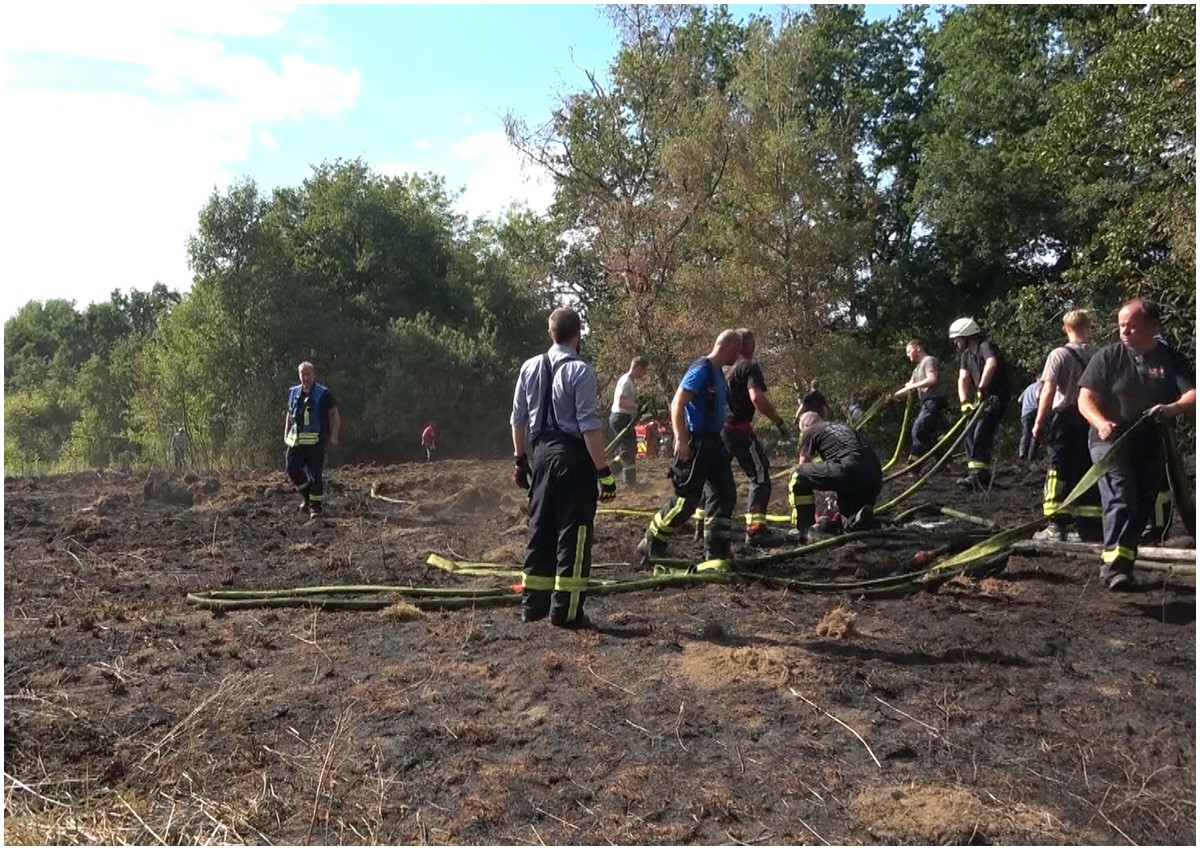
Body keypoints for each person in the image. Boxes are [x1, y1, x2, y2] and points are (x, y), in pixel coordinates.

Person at [1077, 298, 1195, 590]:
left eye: (1131, 325)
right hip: (1111, 442)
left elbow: (1193, 394)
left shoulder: (1170, 359)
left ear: (1152, 326)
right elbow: (1085, 400)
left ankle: (1123, 564)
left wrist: (1171, 409)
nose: (1125, 331)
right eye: (1121, 326)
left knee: (1142, 502)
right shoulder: (1107, 358)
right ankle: (1113, 566)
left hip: (1151, 441)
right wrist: (1101, 423)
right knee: (1122, 493)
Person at [510, 307, 616, 629]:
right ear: (578, 334)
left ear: (550, 333)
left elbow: (517, 420)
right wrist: (604, 473)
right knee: (575, 534)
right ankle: (566, 613)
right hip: (573, 459)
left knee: (540, 530)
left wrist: (520, 460)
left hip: (540, 456)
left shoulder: (529, 367)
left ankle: (534, 606)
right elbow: (589, 427)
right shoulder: (581, 371)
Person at [636, 330, 742, 566]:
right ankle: (651, 542)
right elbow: (678, 402)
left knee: (724, 494)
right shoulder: (701, 369)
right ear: (730, 348)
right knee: (686, 501)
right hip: (696, 443)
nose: (738, 356)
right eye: (738, 351)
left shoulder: (717, 373)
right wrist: (681, 439)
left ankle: (716, 551)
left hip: (715, 443)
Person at [1031, 310, 1101, 542]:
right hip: (1092, 417)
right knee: (1088, 467)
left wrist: (1039, 422)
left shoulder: (1058, 355)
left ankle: (1056, 524)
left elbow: (1049, 390)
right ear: (1088, 327)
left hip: (1066, 417)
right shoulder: (1099, 354)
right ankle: (1090, 526)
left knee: (1058, 468)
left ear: (1065, 328)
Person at [723, 329, 790, 547]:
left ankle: (707, 528)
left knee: (717, 478)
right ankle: (756, 531)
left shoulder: (726, 371)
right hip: (739, 430)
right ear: (747, 345)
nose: (756, 348)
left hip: (721, 431)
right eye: (754, 343)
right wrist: (779, 421)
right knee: (760, 475)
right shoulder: (749, 367)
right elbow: (757, 398)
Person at [788, 411, 882, 543]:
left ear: (806, 426)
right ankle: (857, 518)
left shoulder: (810, 431)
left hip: (848, 469)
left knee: (797, 474)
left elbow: (803, 465)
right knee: (848, 521)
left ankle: (804, 528)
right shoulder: (843, 426)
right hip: (874, 474)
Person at [950, 317, 1011, 490]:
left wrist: (982, 387)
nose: (956, 342)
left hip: (995, 396)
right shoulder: (966, 355)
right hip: (981, 397)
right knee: (969, 430)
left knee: (982, 430)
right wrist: (964, 402)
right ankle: (976, 473)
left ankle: (979, 475)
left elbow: (991, 363)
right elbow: (962, 378)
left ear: (967, 335)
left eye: (957, 338)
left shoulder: (985, 346)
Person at [284, 361, 341, 519]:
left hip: (316, 442)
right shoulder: (294, 393)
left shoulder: (324, 394)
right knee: (292, 469)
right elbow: (289, 413)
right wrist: (286, 432)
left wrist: (334, 436)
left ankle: (315, 508)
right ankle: (308, 497)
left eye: (308, 374)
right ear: (299, 375)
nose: (305, 377)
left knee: (316, 475)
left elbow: (335, 415)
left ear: (314, 375)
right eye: (302, 374)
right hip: (296, 442)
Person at [892, 339, 946, 463]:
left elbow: (932, 379)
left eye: (908, 351)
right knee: (932, 434)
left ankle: (914, 464)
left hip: (934, 401)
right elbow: (909, 386)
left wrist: (912, 386)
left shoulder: (929, 361)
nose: (907, 354)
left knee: (918, 429)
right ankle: (944, 462)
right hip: (926, 403)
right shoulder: (917, 369)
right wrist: (894, 395)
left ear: (918, 348)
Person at [609, 356, 648, 485]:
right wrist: (638, 406)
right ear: (637, 367)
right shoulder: (626, 381)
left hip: (622, 418)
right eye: (643, 370)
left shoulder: (629, 381)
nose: (643, 374)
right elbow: (622, 402)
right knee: (628, 450)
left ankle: (628, 478)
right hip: (620, 418)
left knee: (630, 448)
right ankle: (620, 472)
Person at [1017, 379, 1043, 462]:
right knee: (1036, 433)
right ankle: (1032, 456)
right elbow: (1038, 396)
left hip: (1025, 413)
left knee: (1025, 433)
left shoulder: (1028, 388)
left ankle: (1022, 454)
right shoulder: (1040, 386)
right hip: (1035, 410)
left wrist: (1026, 404)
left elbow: (1019, 400)